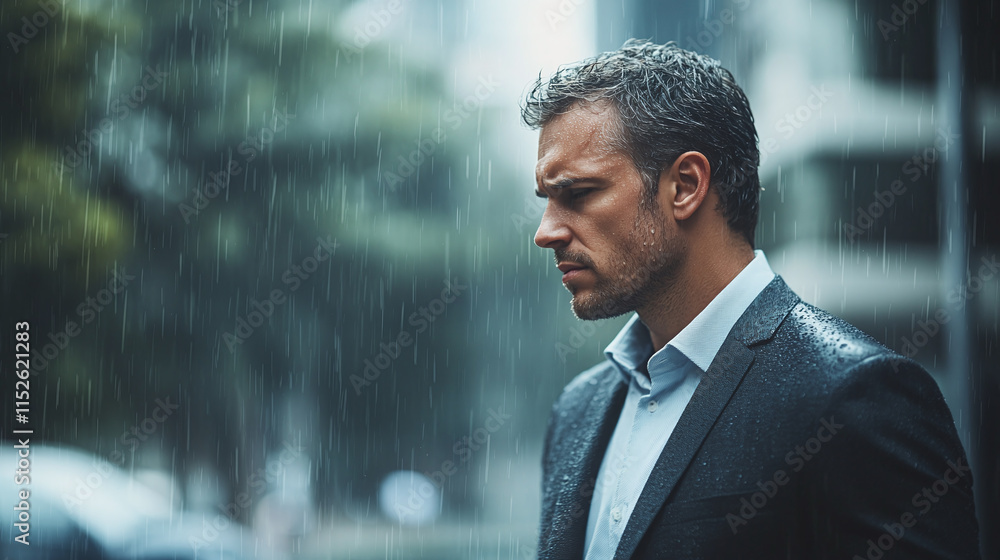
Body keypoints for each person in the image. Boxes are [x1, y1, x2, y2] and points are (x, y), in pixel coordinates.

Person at [522, 39, 980, 559]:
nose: (546, 232)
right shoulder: (577, 410)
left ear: (685, 186)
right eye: (547, 200)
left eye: (577, 193)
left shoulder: (856, 396)